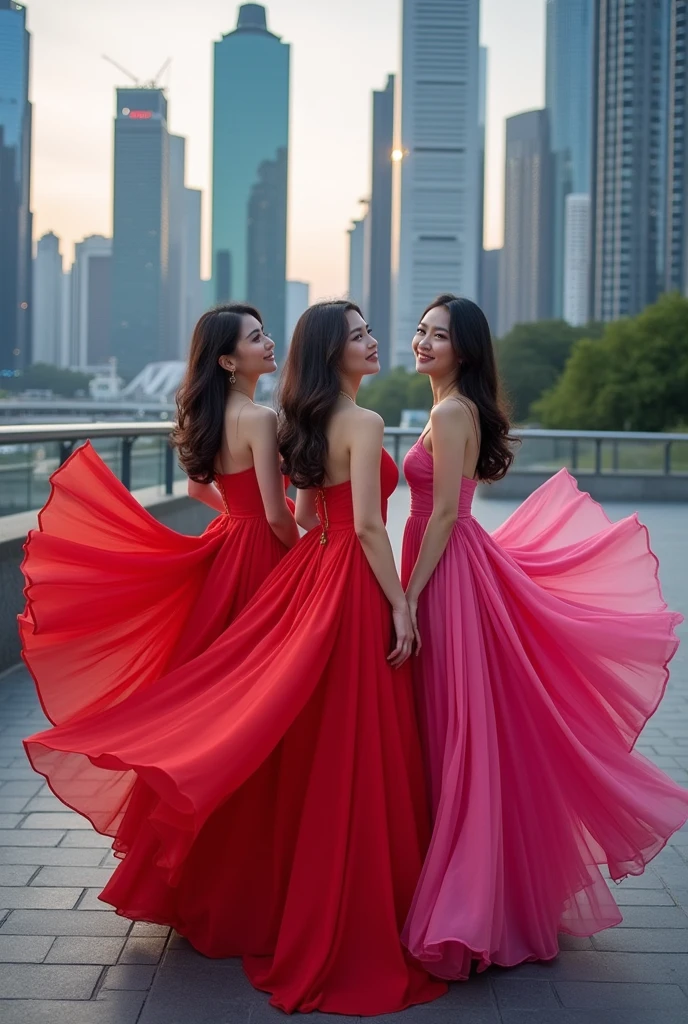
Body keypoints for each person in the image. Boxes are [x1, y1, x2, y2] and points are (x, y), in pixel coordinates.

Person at [24, 300, 447, 1015]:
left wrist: (270, 537)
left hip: (251, 548)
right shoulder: (283, 421)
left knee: (237, 711)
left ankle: (228, 883)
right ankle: (289, 885)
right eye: (255, 338)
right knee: (275, 719)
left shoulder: (259, 418)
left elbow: (226, 495)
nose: (376, 342)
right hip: (303, 561)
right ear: (228, 358)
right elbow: (321, 523)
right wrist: (366, 589)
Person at [400, 293, 688, 980]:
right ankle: (476, 887)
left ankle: (470, 904)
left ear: (464, 350)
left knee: (457, 730)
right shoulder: (454, 407)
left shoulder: (447, 411)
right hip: (456, 566)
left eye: (437, 336)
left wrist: (406, 599)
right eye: (420, 331)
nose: (421, 343)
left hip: (445, 574)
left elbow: (442, 517)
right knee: (463, 729)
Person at [20, 302, 297, 841]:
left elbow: (200, 489)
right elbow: (276, 513)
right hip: (262, 552)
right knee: (259, 686)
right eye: (256, 338)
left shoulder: (209, 416)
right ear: (227, 361)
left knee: (216, 690)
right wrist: (309, 553)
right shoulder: (261, 419)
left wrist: (234, 521)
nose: (269, 344)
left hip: (226, 546)